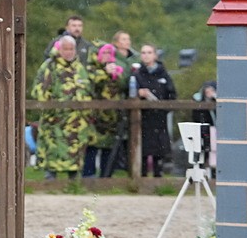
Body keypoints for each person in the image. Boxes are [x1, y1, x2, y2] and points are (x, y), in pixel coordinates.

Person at [31, 35, 91, 179]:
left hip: (76, 123)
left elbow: (87, 90)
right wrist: (53, 104)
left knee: (74, 157)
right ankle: (50, 183)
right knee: (53, 153)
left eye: (71, 49)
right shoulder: (49, 66)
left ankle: (74, 185)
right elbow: (38, 90)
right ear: (60, 49)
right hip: (55, 121)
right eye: (66, 49)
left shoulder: (79, 67)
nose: (69, 52)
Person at [133, 43, 176, 178]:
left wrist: (163, 108)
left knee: (159, 151)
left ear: (155, 55)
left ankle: (159, 179)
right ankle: (142, 179)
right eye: (143, 53)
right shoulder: (137, 74)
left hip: (159, 119)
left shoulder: (163, 74)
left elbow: (172, 95)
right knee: (143, 151)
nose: (146, 55)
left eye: (149, 52)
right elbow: (129, 93)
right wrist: (138, 93)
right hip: (142, 119)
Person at [84, 43, 125, 178]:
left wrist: (116, 75)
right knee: (92, 148)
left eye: (109, 53)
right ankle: (88, 178)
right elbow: (92, 83)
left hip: (111, 119)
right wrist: (105, 73)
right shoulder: (90, 70)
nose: (107, 56)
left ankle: (106, 178)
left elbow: (123, 87)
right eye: (104, 53)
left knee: (108, 149)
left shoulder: (117, 69)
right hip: (94, 118)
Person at [192, 80, 217, 177]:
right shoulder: (198, 99)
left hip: (215, 131)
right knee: (203, 153)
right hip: (203, 130)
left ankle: (214, 176)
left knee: (214, 154)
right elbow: (196, 116)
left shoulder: (216, 99)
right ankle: (201, 175)